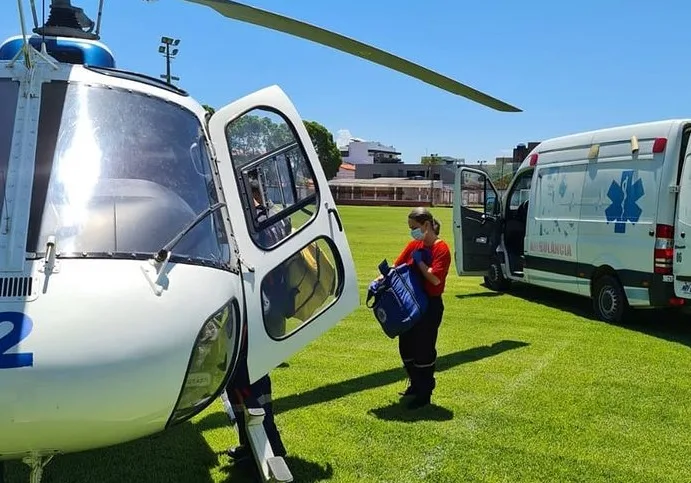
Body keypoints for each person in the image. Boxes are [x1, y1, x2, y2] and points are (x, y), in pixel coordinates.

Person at [225, 178, 291, 463]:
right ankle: (248, 446)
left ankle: (270, 450)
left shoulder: (261, 224)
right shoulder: (273, 219)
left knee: (251, 385)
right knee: (239, 383)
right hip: (263, 309)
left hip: (256, 311)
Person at [391, 207, 451, 409]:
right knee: (406, 347)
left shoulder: (441, 249)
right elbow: (397, 267)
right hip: (411, 305)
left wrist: (421, 264)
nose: (413, 232)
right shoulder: (413, 245)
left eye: (414, 227)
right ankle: (415, 384)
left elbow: (435, 278)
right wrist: (382, 278)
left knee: (423, 350)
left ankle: (425, 393)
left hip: (430, 306)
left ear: (427, 225)